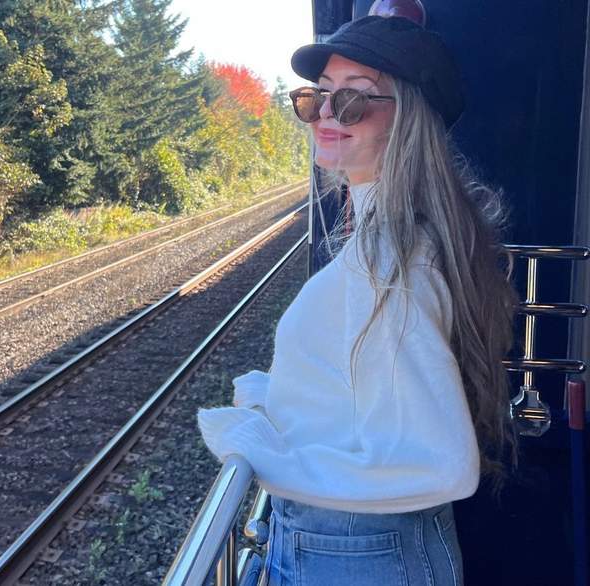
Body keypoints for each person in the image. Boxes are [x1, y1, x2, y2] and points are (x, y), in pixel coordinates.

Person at [197, 15, 521, 586]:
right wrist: (278, 399)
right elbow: (365, 387)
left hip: (355, 556)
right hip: (357, 549)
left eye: (354, 100)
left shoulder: (392, 262)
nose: (326, 114)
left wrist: (270, 455)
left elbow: (441, 463)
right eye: (317, 97)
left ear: (408, 120)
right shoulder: (396, 234)